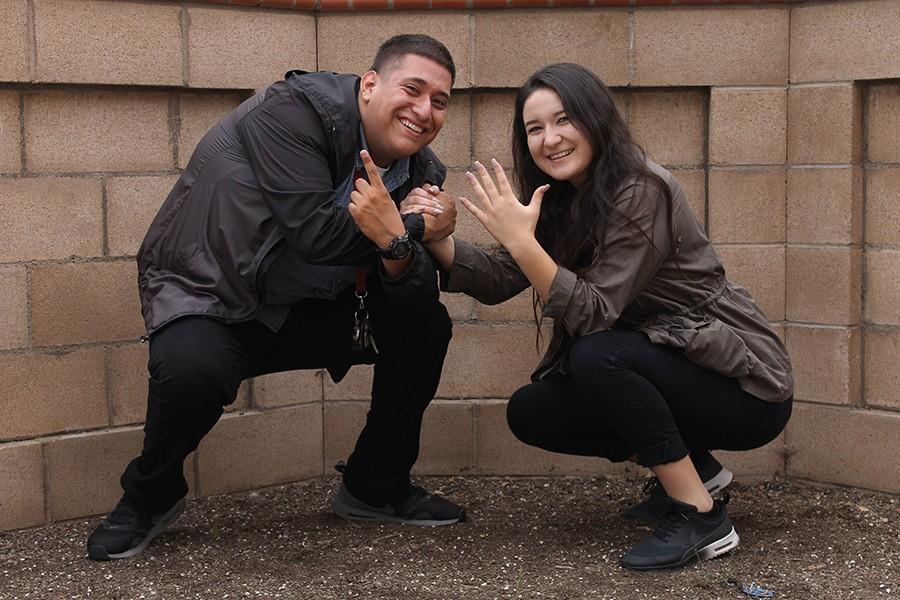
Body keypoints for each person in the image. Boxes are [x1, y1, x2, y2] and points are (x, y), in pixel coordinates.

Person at [86, 34, 467, 562]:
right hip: (217, 296)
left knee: (425, 326)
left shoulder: (421, 173)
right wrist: (413, 225)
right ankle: (149, 497)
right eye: (413, 89)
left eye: (440, 101)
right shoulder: (292, 113)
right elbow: (313, 231)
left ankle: (375, 486)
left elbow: (413, 283)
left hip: (314, 307)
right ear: (371, 84)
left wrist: (410, 238)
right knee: (191, 370)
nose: (424, 110)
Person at [408, 63, 793, 571]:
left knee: (598, 354)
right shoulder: (564, 199)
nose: (550, 139)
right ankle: (700, 472)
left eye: (564, 119)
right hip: (673, 368)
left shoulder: (641, 190)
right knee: (534, 410)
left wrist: (521, 239)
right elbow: (503, 277)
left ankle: (701, 516)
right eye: (535, 128)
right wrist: (439, 235)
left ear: (595, 118)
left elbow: (592, 313)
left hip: (746, 388)